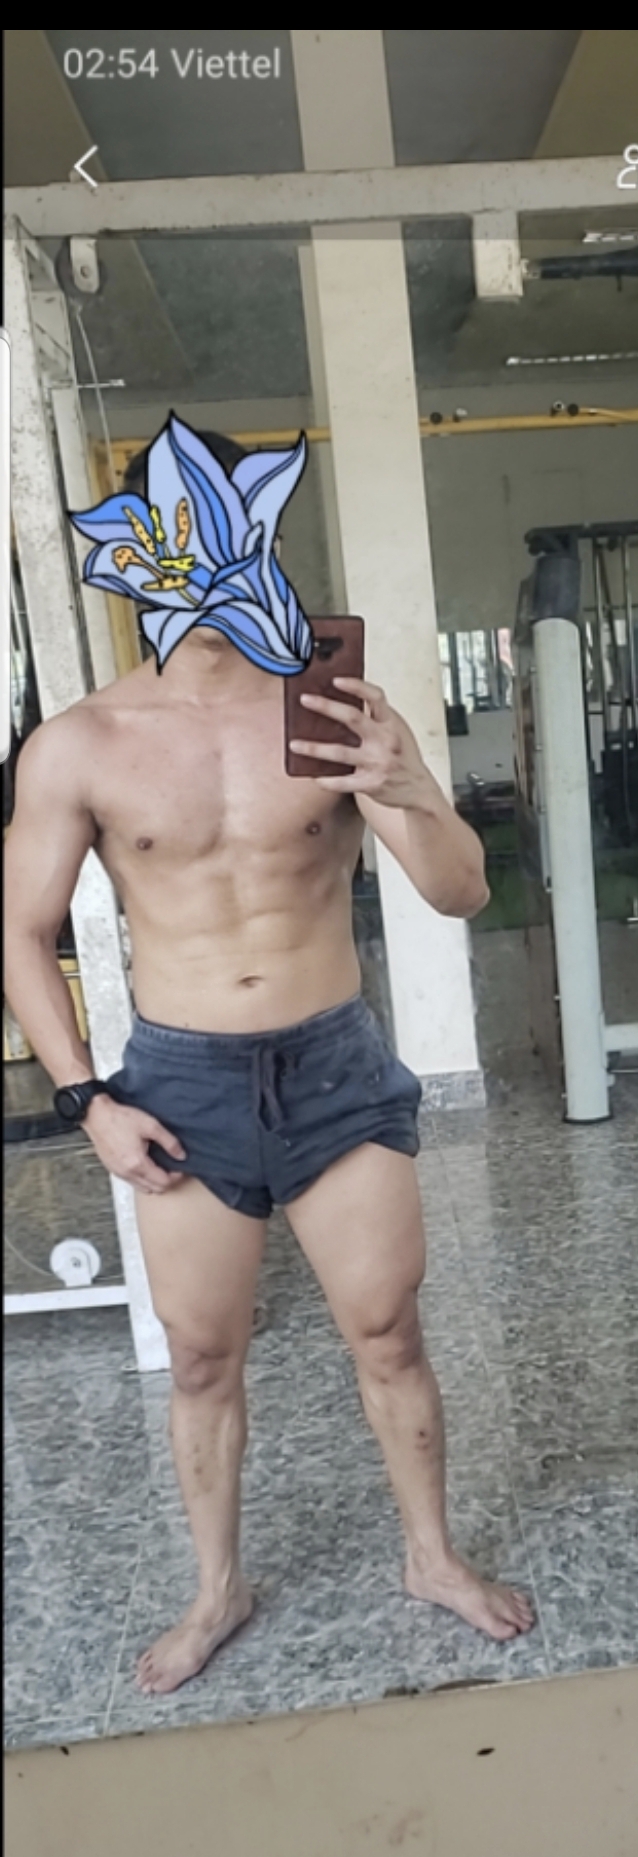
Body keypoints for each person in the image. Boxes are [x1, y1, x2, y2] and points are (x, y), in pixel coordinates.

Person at [3, 430, 533, 1694]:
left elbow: (460, 892)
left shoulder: (337, 710)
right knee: (201, 1357)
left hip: (333, 1067)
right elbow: (19, 932)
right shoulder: (80, 743)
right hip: (178, 1082)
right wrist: (86, 1100)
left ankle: (432, 1559)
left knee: (387, 1331)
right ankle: (217, 1590)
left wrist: (412, 783)